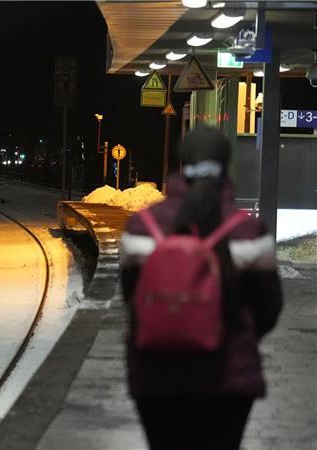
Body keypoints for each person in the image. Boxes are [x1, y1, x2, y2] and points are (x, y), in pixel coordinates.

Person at [119, 127, 282, 450]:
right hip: (228, 377)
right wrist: (232, 332)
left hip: (155, 376)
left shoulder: (142, 226)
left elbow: (132, 298)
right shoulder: (249, 229)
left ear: (181, 163)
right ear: (226, 164)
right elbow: (269, 308)